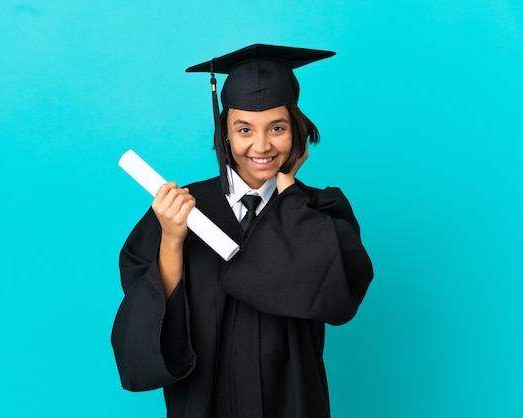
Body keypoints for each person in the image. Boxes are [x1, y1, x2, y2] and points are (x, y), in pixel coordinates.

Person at [111, 44, 374, 418]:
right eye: (245, 129)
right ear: (226, 133)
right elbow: (149, 322)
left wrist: (291, 196)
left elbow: (335, 299)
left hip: (293, 400)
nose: (262, 145)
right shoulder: (183, 208)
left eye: (278, 128)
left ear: (297, 130)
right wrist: (172, 238)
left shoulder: (320, 209)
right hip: (205, 400)